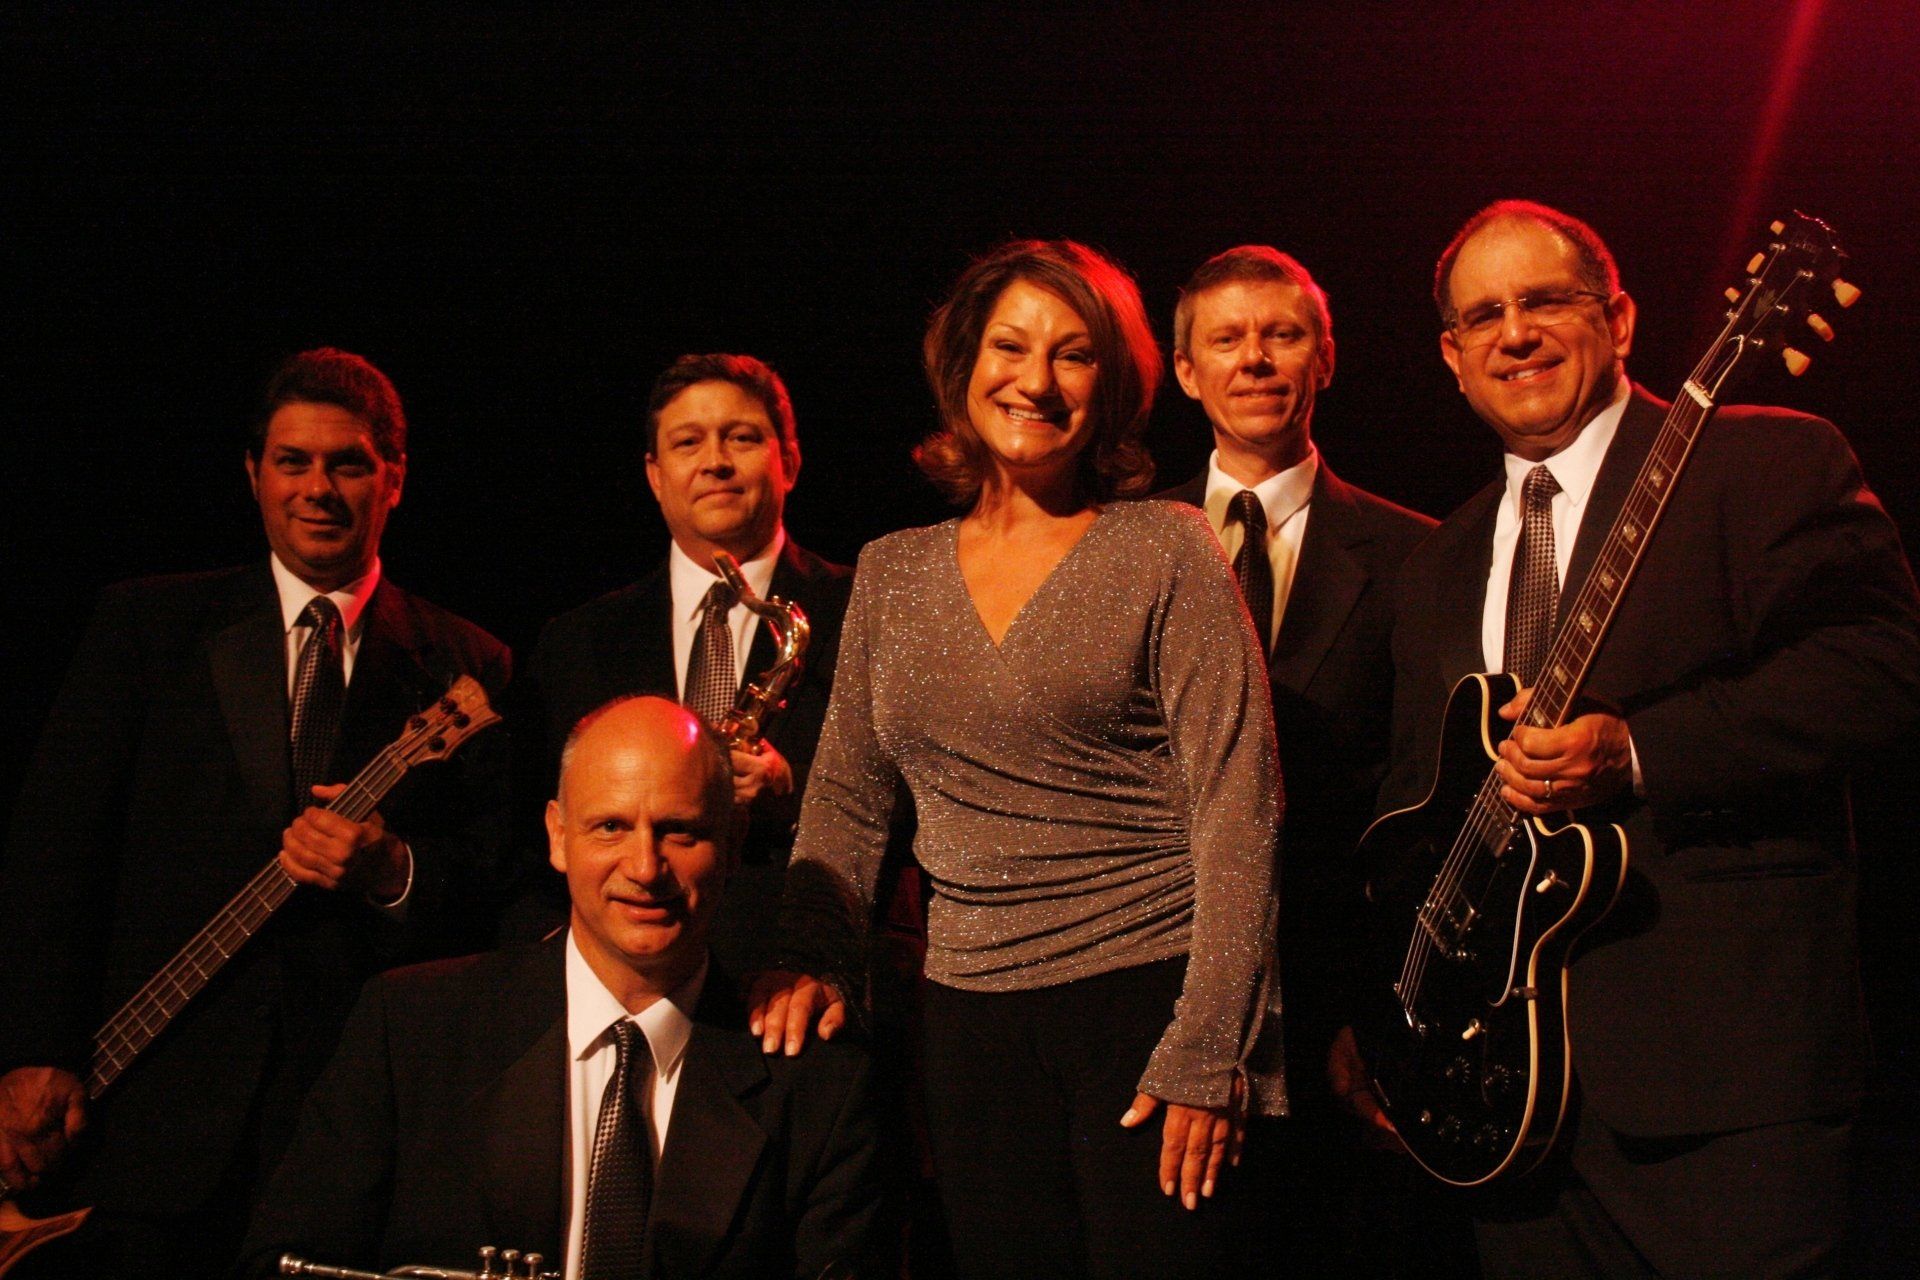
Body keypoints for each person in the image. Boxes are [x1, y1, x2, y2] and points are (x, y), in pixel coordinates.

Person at [1371, 200, 1920, 1277]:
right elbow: (1412, 802)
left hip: (1726, 1087)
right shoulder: (1437, 560)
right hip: (1511, 1108)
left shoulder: (1765, 462)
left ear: (1619, 320)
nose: (1514, 333)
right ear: (1452, 355)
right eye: (1483, 315)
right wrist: (1392, 1007)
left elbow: (1883, 668)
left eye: (1546, 301)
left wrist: (1638, 748)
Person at [753, 239, 1283, 1279]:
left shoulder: (1166, 545)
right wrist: (813, 950)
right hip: (969, 1023)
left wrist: (1213, 1042)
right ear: (961, 366)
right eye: (1010, 345)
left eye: (1073, 354)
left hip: (1147, 1004)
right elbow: (850, 796)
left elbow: (1240, 804)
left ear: (1114, 384)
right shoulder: (893, 572)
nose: (1035, 380)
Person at [0, 348, 512, 1277]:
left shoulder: (469, 665)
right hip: (142, 1125)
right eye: (293, 462)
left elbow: (504, 886)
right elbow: (54, 855)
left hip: (350, 1135)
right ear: (253, 473)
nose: (318, 489)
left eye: (348, 464)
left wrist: (391, 870)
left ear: (394, 477)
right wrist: (30, 1050)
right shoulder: (145, 630)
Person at [238, 696, 887, 1280]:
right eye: (610, 827)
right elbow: (282, 1265)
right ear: (556, 837)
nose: (644, 869)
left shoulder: (819, 1089)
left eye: (679, 831)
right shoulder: (408, 1029)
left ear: (735, 841)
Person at [1155, 245, 1441, 1270]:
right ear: (1186, 370)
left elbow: (1424, 803)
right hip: (1151, 990)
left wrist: (1377, 1004)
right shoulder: (1124, 545)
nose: (1256, 360)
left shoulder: (1419, 557)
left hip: (1333, 1011)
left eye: (1282, 335)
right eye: (1225, 339)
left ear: (1325, 357)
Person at [528, 353, 864, 981]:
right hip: (625, 984)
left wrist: (793, 795)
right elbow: (530, 846)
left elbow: (919, 808)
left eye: (741, 437)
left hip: (800, 978)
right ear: (655, 476)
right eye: (689, 443)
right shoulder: (575, 643)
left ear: (788, 461)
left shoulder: (866, 610)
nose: (715, 461)